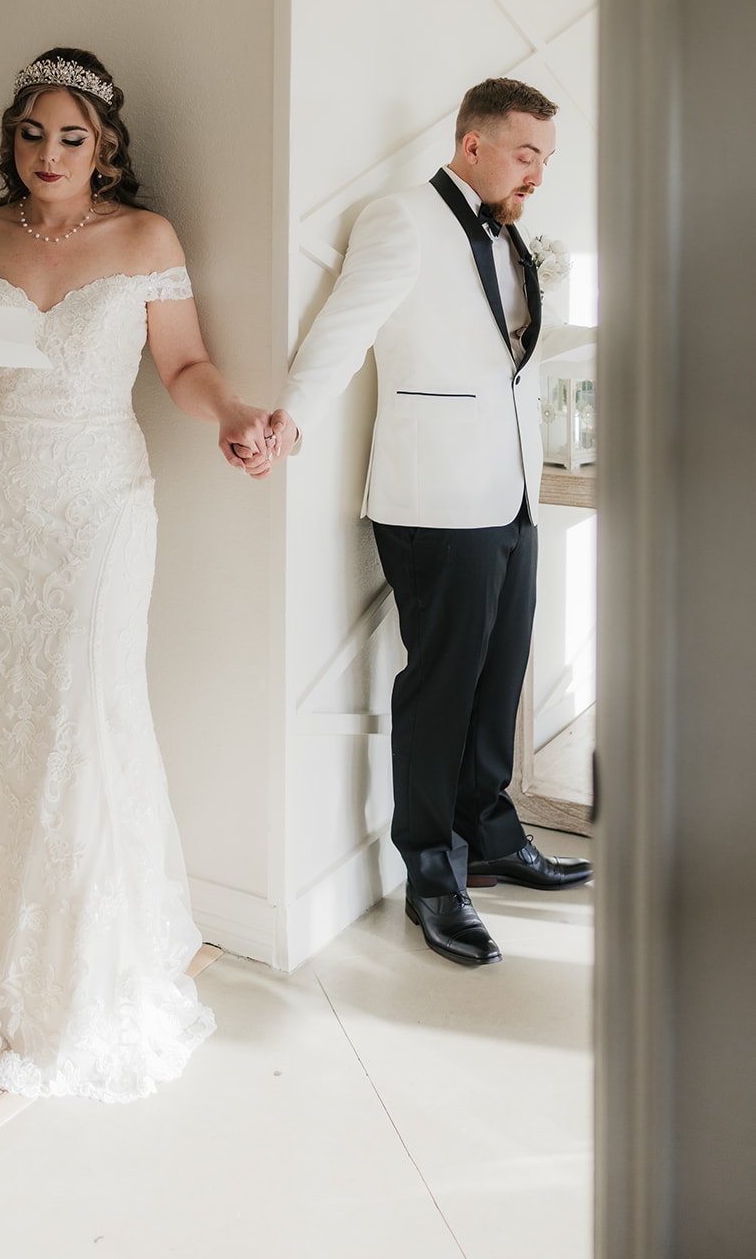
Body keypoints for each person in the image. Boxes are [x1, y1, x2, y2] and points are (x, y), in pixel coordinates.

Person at [0, 47, 271, 1098]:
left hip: (94, 503)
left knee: (80, 705)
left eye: (71, 136)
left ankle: (76, 962)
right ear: (12, 139)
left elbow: (181, 367)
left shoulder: (144, 239)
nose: (48, 152)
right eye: (33, 133)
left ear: (106, 149)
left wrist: (231, 416)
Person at [257, 77, 593, 967]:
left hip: (513, 492)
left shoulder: (512, 233)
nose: (537, 173)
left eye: (546, 159)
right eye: (526, 154)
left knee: (502, 671)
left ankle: (489, 830)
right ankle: (431, 874)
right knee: (441, 688)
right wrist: (292, 413)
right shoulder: (400, 218)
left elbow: (506, 359)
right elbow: (343, 326)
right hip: (433, 498)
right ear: (473, 143)